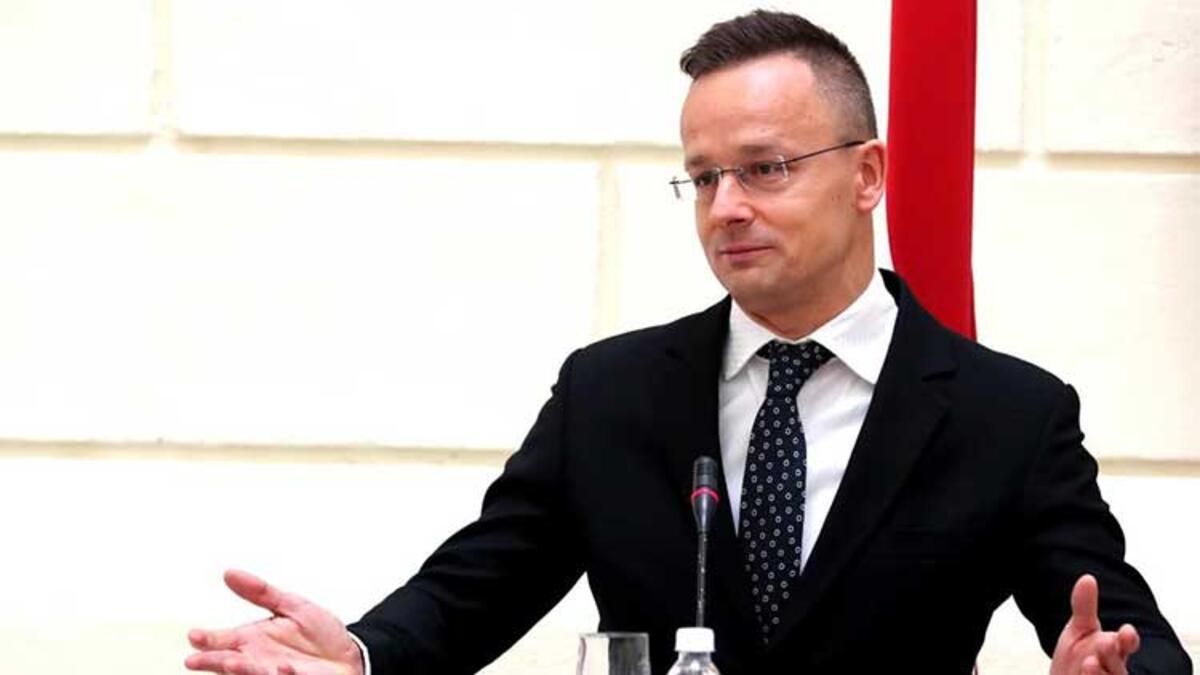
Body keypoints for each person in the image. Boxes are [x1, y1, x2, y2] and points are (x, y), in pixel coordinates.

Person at [185, 10, 1191, 675]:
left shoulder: (1005, 414)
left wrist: (1115, 668)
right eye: (703, 177)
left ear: (867, 174)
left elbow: (1124, 634)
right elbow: (469, 594)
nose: (726, 207)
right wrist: (362, 654)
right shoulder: (612, 393)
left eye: (765, 168)